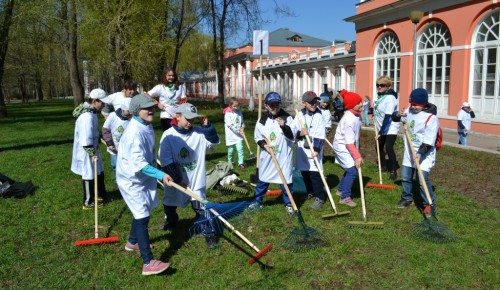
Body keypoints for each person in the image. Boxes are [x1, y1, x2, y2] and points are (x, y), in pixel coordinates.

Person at [116, 94, 172, 276]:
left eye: (153, 107)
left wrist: (157, 169)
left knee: (143, 211)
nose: (151, 110)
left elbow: (146, 154)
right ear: (135, 111)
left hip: (142, 177)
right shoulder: (133, 133)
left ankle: (133, 242)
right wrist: (161, 174)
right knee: (141, 216)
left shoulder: (145, 125)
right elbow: (139, 164)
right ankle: (148, 262)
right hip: (131, 180)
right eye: (147, 107)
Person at [158, 103, 220, 248]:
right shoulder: (168, 136)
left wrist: (207, 126)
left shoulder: (199, 133)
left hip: (195, 179)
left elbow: (214, 142)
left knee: (201, 207)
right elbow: (165, 160)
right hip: (176, 179)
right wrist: (178, 181)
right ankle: (171, 221)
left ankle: (208, 232)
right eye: (188, 118)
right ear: (178, 117)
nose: (190, 122)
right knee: (169, 202)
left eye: (193, 119)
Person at [391, 88, 439, 216]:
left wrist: (419, 154)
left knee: (421, 179)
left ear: (423, 104)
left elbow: (429, 141)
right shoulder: (409, 111)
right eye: (412, 104)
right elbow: (396, 118)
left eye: (416, 105)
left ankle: (428, 204)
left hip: (424, 153)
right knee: (406, 177)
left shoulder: (431, 118)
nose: (413, 107)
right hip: (409, 151)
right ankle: (406, 198)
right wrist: (397, 115)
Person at [248, 92, 297, 215]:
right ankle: (257, 201)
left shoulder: (287, 118)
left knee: (286, 181)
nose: (274, 107)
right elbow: (257, 137)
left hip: (284, 157)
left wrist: (284, 127)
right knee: (263, 180)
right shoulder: (262, 120)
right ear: (266, 106)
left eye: (277, 105)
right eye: (271, 105)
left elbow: (293, 137)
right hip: (268, 156)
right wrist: (264, 145)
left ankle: (289, 204)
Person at [71, 88, 111, 209]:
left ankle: (97, 194)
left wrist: (97, 138)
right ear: (94, 101)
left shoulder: (92, 113)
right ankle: (88, 202)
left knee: (98, 171)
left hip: (93, 148)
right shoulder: (86, 117)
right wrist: (91, 152)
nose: (103, 105)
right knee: (89, 173)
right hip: (86, 151)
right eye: (102, 102)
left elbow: (92, 131)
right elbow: (85, 138)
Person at [295, 91, 326, 209]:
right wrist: (300, 133)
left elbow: (320, 134)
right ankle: (310, 191)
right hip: (302, 149)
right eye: (310, 102)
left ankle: (320, 197)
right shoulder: (299, 115)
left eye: (315, 102)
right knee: (305, 171)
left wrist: (317, 149)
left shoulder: (318, 116)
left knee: (315, 174)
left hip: (313, 150)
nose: (314, 104)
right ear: (304, 103)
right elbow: (293, 131)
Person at [333, 91, 363, 207]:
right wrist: (357, 157)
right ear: (351, 105)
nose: (361, 104)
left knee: (351, 168)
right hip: (342, 146)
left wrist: (357, 154)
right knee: (352, 170)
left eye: (360, 101)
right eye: (358, 103)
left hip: (348, 144)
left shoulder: (356, 115)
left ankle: (340, 189)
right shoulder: (349, 120)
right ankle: (344, 196)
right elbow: (349, 142)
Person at [373, 76, 400, 180]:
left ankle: (393, 171)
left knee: (388, 147)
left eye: (382, 85)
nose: (379, 87)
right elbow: (376, 107)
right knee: (378, 147)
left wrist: (380, 132)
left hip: (390, 127)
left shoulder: (390, 98)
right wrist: (372, 112)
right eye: (378, 85)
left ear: (388, 86)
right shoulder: (378, 96)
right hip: (381, 126)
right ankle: (383, 166)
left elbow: (388, 117)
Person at [102, 97, 132, 173]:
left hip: (126, 148)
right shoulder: (112, 116)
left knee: (127, 167)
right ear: (123, 109)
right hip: (114, 147)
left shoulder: (132, 119)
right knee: (115, 166)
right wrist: (109, 143)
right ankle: (118, 182)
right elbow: (105, 130)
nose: (130, 113)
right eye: (128, 111)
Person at [223, 97, 246, 169]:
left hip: (238, 136)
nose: (236, 107)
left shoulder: (240, 112)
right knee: (231, 151)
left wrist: (242, 127)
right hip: (231, 136)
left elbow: (242, 122)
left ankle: (241, 163)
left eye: (237, 106)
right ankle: (230, 163)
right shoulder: (227, 114)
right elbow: (230, 126)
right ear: (230, 106)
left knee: (240, 149)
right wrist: (238, 131)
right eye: (234, 106)